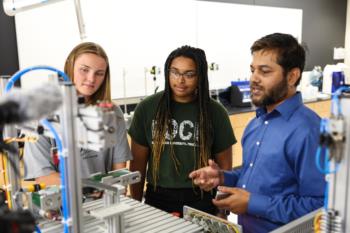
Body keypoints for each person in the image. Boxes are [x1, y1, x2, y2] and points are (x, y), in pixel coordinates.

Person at [189, 33, 326, 233]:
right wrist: (223, 177)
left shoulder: (309, 131)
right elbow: (255, 175)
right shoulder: (256, 123)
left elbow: (321, 206)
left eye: (265, 71)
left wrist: (253, 204)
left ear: (292, 76)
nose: (253, 78)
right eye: (253, 70)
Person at [128, 45, 236, 216]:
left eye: (189, 74)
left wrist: (222, 210)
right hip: (158, 197)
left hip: (201, 198)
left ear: (200, 76)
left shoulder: (215, 112)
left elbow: (225, 168)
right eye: (175, 72)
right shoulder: (147, 108)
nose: (180, 80)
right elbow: (137, 166)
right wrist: (135, 206)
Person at [23, 42, 132, 185]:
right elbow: (44, 176)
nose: (91, 79)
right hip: (61, 204)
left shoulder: (112, 112)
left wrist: (111, 198)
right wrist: (91, 189)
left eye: (99, 73)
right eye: (84, 70)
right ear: (70, 68)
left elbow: (118, 170)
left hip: (103, 201)